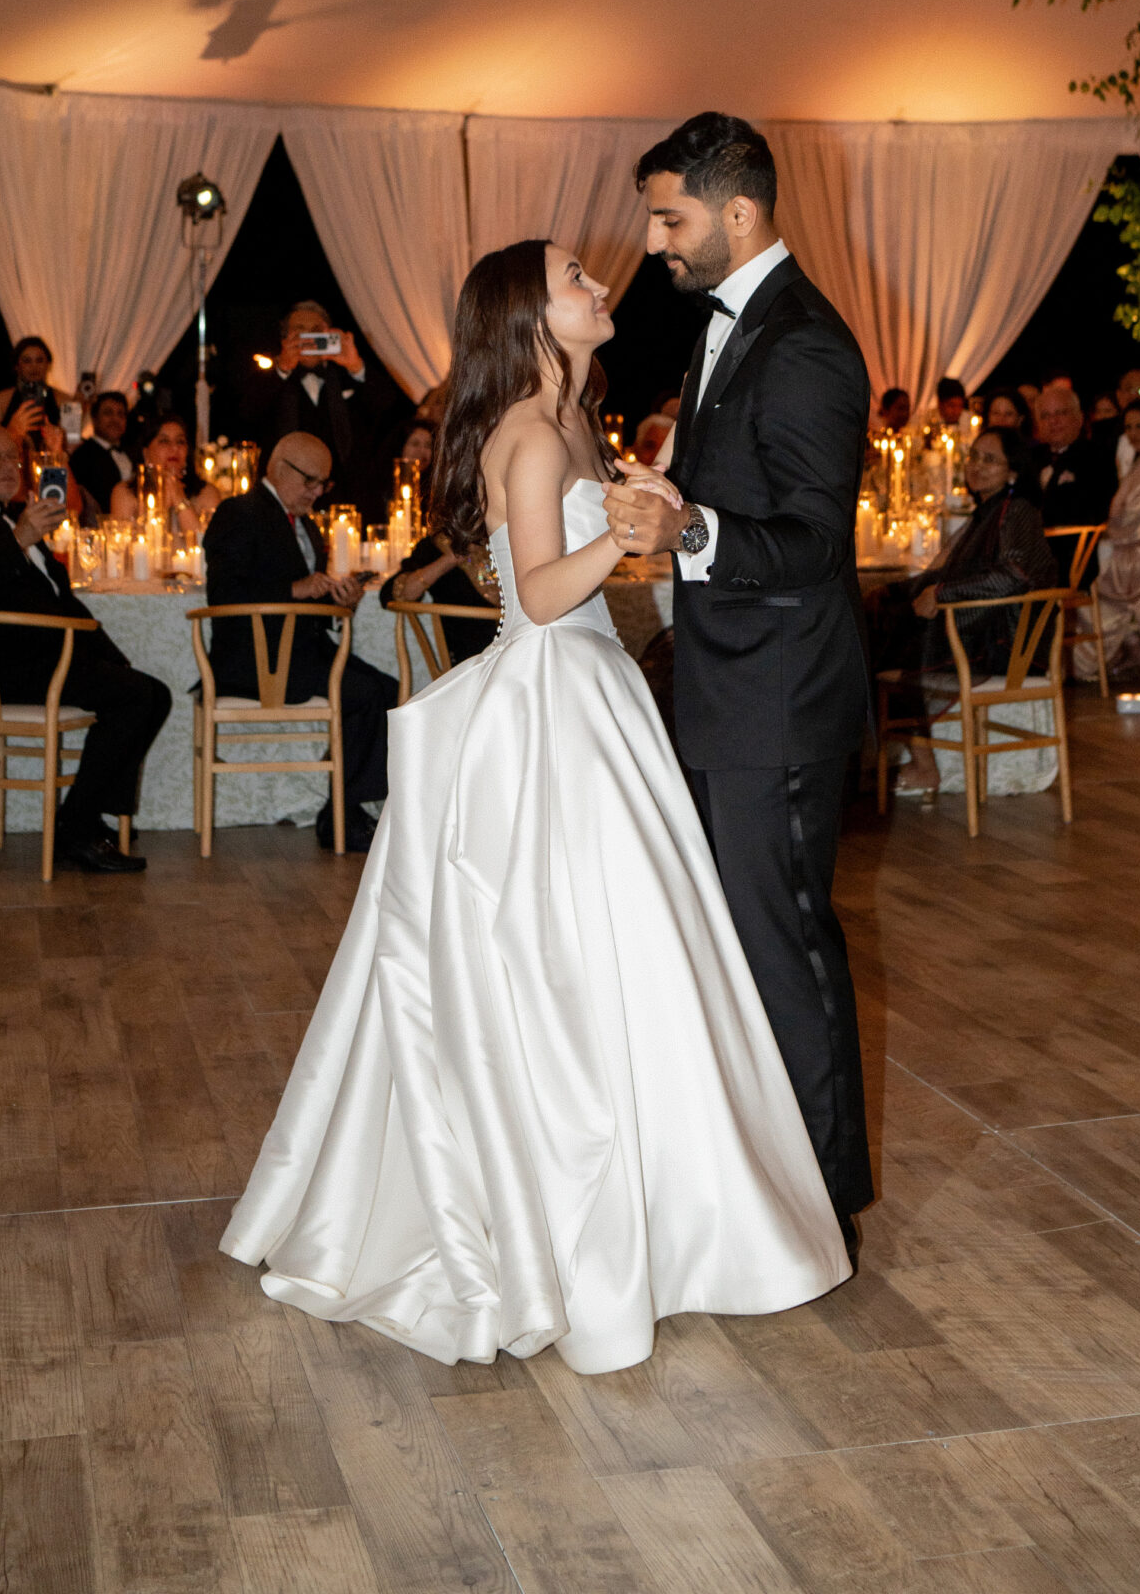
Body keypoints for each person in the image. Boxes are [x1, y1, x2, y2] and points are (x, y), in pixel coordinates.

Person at [222, 238, 848, 1371]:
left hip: (594, 693)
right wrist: (624, 528)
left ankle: (668, 1213)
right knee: (575, 960)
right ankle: (572, 1219)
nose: (599, 285)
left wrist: (644, 512)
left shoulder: (576, 422)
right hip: (553, 699)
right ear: (529, 312)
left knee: (638, 955)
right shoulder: (523, 426)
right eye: (574, 277)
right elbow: (541, 595)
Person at [605, 111, 874, 1256]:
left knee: (786, 948)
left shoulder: (806, 341)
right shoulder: (723, 328)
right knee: (744, 947)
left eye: (671, 217)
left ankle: (824, 1209)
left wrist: (692, 528)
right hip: (727, 688)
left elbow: (814, 539)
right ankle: (764, 1186)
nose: (656, 240)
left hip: (782, 697)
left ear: (739, 210)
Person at [0, 423, 167, 873]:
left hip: (45, 659)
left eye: (13, 457)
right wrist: (18, 540)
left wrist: (111, 656)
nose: (9, 467)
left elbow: (62, 600)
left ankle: (84, 817)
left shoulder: (13, 516)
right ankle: (77, 827)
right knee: (136, 696)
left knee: (151, 693)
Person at [201, 432, 395, 854]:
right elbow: (225, 595)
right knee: (363, 694)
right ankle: (343, 815)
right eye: (310, 481)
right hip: (254, 658)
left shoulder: (305, 524)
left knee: (388, 692)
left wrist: (339, 602)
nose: (316, 492)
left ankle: (342, 811)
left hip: (302, 650)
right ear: (277, 467)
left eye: (323, 484)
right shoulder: (239, 512)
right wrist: (296, 588)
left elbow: (306, 596)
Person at [877, 426, 1054, 802]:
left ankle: (923, 766)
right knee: (880, 620)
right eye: (973, 457)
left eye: (990, 460)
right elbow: (946, 573)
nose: (976, 466)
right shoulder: (987, 511)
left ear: (1014, 472)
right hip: (977, 628)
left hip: (1003, 641)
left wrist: (941, 594)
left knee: (891, 642)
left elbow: (1016, 574)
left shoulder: (1016, 510)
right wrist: (891, 592)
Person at [249, 301, 402, 518]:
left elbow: (386, 403)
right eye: (299, 332)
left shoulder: (345, 376)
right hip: (285, 500)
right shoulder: (274, 380)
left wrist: (355, 365)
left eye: (316, 332)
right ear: (285, 339)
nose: (309, 339)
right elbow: (249, 411)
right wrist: (282, 368)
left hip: (347, 498)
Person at [1072, 396, 1140, 686]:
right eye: (1129, 427)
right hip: (1139, 545)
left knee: (1098, 579)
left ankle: (1091, 661)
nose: (1135, 433)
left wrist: (1109, 530)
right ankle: (1125, 652)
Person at [379, 528, 500, 665]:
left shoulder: (512, 537)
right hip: (471, 662)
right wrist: (450, 559)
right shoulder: (438, 544)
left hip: (520, 649)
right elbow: (393, 594)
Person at [109, 416, 221, 533]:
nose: (174, 448)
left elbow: (206, 547)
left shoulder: (207, 493)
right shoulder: (125, 493)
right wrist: (161, 508)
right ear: (146, 454)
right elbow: (125, 548)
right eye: (164, 441)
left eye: (180, 442)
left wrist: (180, 500)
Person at [1034, 382, 1115, 529]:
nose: (1053, 421)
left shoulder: (1097, 457)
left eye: (1061, 413)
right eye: (1045, 416)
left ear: (1079, 418)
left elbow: (1096, 510)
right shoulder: (1032, 459)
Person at [69, 390, 133, 517]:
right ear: (94, 418)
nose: (115, 419)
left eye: (121, 414)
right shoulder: (83, 456)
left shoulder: (132, 454)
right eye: (108, 413)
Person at [0, 336, 61, 438]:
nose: (34, 367)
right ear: (17, 366)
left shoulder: (60, 398)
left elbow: (71, 439)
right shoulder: (3, 399)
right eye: (27, 361)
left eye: (39, 360)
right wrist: (12, 430)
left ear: (48, 364)